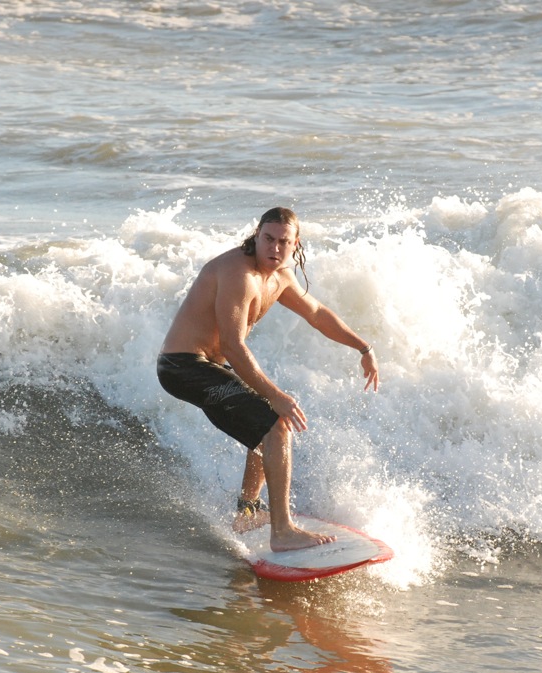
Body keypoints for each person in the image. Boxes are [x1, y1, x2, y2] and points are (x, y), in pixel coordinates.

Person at [158, 207, 380, 552]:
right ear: (257, 235)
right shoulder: (239, 274)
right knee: (276, 424)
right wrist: (276, 395)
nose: (275, 248)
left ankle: (248, 512)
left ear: (295, 244)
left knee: (269, 423)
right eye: (268, 239)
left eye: (283, 242)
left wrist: (363, 347)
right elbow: (233, 345)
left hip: (206, 366)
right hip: (182, 366)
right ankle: (283, 531)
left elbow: (317, 314)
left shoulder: (280, 277)